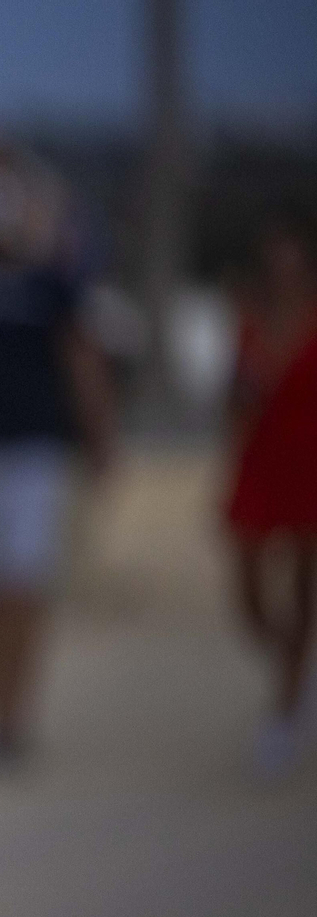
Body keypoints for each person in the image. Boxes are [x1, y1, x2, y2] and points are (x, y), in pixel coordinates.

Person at [0, 143, 116, 763]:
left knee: (22, 586)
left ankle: (14, 716)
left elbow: (81, 357)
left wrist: (100, 437)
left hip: (34, 451)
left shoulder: (52, 281)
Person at [225, 212, 317, 775]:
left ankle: (287, 698)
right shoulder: (248, 320)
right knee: (249, 591)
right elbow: (234, 397)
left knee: (305, 585)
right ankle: (289, 661)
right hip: (262, 459)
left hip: (309, 460)